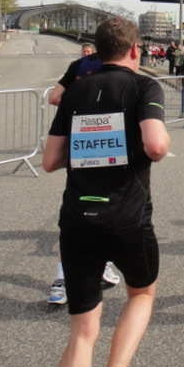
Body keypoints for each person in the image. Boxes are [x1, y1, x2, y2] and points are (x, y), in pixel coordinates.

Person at [42, 16, 170, 367]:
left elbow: (50, 161)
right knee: (141, 293)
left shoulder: (75, 92)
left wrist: (90, 149)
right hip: (128, 217)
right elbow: (157, 146)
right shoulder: (144, 87)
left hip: (77, 218)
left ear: (96, 52)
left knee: (82, 331)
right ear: (134, 49)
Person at [47, 42, 121, 305]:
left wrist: (79, 104)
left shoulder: (79, 66)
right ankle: (78, 275)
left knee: (77, 216)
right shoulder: (126, 72)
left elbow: (54, 97)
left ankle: (63, 280)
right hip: (113, 150)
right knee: (110, 214)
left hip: (82, 149)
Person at [48, 43, 102, 107]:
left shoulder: (76, 65)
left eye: (88, 51)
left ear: (93, 52)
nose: (86, 53)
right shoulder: (76, 65)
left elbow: (54, 98)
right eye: (84, 51)